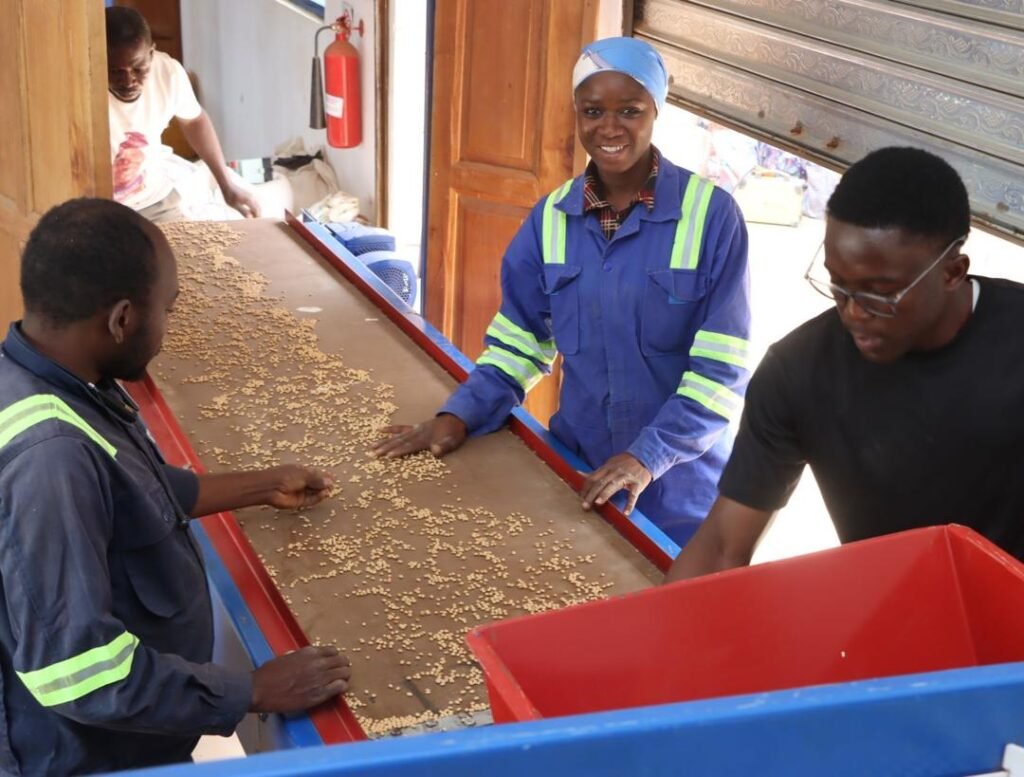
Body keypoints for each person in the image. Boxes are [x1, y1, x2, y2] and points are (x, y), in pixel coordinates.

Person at [0, 199, 350, 775]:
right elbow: (77, 672)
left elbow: (131, 491)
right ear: (120, 320)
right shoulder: (50, 459)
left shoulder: (53, 378)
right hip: (80, 758)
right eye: (167, 309)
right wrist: (249, 691)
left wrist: (262, 485)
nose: (168, 330)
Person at [373, 37, 751, 546]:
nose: (609, 128)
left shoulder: (711, 216)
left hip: (681, 490)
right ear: (576, 113)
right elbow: (521, 342)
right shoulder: (550, 219)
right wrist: (459, 415)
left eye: (630, 111)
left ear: (656, 111)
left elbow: (721, 373)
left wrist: (647, 457)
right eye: (593, 111)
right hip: (578, 467)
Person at [665, 145, 1024, 583]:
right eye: (839, 285)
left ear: (953, 272)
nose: (853, 313)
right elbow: (722, 547)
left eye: (880, 293)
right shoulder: (798, 372)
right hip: (890, 613)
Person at [106, 6, 261, 222]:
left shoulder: (168, 72)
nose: (128, 80)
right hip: (100, 208)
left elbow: (194, 121)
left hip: (153, 200)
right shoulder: (81, 92)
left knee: (193, 253)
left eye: (139, 68)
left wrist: (226, 184)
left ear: (151, 53)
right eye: (115, 72)